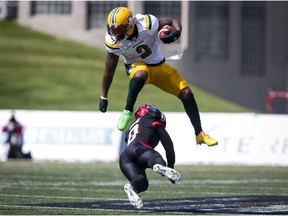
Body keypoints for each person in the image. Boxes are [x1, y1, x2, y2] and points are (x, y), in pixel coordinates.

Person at [99, 7, 218, 146]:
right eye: (112, 29)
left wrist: (176, 32)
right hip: (136, 66)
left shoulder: (146, 23)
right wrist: (104, 96)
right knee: (141, 73)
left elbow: (173, 21)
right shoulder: (113, 41)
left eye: (118, 29)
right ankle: (127, 111)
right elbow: (109, 69)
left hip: (158, 65)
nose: (115, 34)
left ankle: (199, 134)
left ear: (130, 24)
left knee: (186, 93)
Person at [120, 103, 181, 209]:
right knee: (156, 159)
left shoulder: (133, 126)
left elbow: (129, 141)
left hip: (125, 157)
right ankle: (158, 166)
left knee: (141, 182)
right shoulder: (151, 118)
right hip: (141, 148)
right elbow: (168, 146)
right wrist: (170, 166)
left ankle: (132, 187)